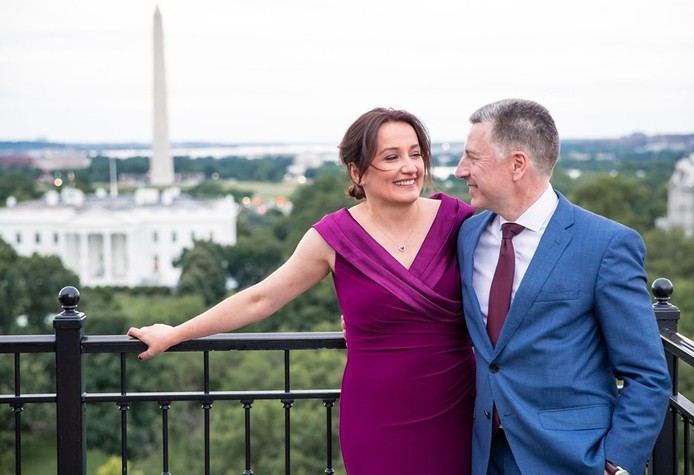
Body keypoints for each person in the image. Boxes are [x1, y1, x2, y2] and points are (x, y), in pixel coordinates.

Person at [128, 107, 476, 473]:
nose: (409, 167)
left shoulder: (460, 222)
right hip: (376, 418)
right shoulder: (334, 237)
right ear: (357, 172)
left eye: (415, 154)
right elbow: (260, 299)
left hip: (456, 410)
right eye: (392, 157)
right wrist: (176, 333)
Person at [454, 98, 671, 475]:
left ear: (517, 164)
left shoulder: (606, 245)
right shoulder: (468, 235)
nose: (460, 170)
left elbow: (647, 374)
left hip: (571, 459)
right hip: (482, 455)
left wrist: (617, 462)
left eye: (473, 158)